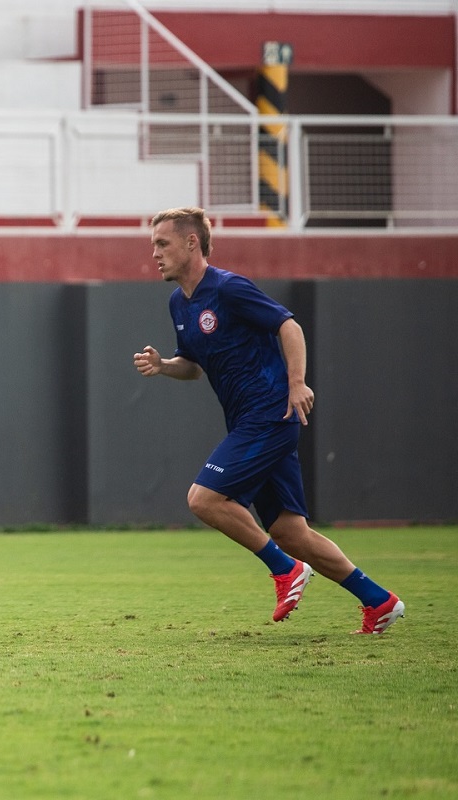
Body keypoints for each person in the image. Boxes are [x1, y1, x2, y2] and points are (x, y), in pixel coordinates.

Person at [132, 206, 403, 635]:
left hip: (270, 413)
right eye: (153, 245)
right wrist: (165, 365)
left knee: (203, 499)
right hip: (247, 420)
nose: (155, 254)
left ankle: (284, 570)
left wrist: (297, 383)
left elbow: (288, 326)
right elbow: (194, 365)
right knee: (291, 531)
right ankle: (380, 601)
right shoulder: (178, 303)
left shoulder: (229, 288)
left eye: (162, 243)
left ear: (191, 243)